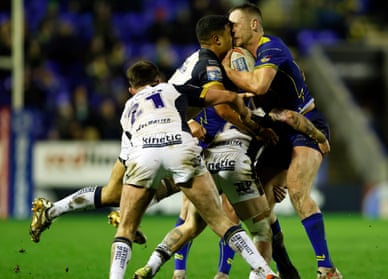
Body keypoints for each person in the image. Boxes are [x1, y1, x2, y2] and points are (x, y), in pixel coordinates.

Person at [111, 59, 279, 279]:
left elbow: (127, 154)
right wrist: (246, 113)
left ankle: (122, 273)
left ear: (131, 89)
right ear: (158, 80)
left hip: (144, 153)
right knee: (220, 220)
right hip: (182, 148)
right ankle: (264, 272)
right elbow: (227, 98)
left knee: (126, 229)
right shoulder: (173, 89)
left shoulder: (128, 108)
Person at [221, 3, 342, 279]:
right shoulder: (241, 56)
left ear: (253, 25)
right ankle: (276, 268)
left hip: (305, 123)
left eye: (235, 25)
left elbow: (260, 86)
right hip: (277, 129)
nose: (231, 31)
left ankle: (327, 269)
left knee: (298, 190)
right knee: (255, 202)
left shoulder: (271, 47)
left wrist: (229, 73)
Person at [165, 15, 278, 279]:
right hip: (199, 138)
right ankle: (179, 272)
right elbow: (223, 109)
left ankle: (220, 274)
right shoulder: (212, 67)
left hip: (214, 142)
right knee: (191, 212)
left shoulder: (210, 65)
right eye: (230, 33)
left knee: (226, 212)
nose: (234, 38)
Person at [29, 158, 180, 244]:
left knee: (111, 195)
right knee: (175, 181)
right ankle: (124, 215)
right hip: (152, 137)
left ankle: (50, 211)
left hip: (138, 133)